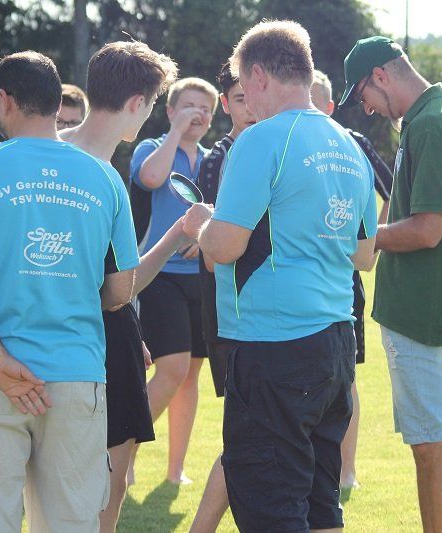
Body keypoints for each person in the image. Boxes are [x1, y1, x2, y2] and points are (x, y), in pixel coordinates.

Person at [0, 51, 139, 532]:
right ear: (55, 102)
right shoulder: (105, 177)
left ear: (3, 101)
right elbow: (119, 289)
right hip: (77, 377)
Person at [186, 20, 378, 532]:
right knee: (320, 504)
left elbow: (224, 247)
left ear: (259, 76)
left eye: (245, 89)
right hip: (336, 342)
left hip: (273, 345)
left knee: (271, 506)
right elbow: (364, 255)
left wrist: (202, 223)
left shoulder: (260, 139)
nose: (247, 103)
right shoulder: (349, 145)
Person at [339, 36, 442, 532]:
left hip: (418, 307)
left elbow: (427, 229)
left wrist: (359, 238)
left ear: (381, 75)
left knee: (431, 443)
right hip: (425, 302)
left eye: (362, 94)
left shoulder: (431, 123)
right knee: (428, 441)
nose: (367, 108)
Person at [59, 40, 195, 533]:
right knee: (105, 484)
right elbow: (119, 289)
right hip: (87, 340)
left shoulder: (46, 153)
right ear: (138, 103)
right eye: (153, 103)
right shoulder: (104, 178)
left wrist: (131, 330)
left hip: (65, 335)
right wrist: (179, 234)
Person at [129, 76, 218, 485]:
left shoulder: (213, 159)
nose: (198, 114)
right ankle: (121, 452)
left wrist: (204, 240)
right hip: (158, 275)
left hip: (200, 278)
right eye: (189, 106)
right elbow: (150, 178)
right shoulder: (151, 147)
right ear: (169, 110)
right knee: (172, 369)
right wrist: (175, 134)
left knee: (189, 374)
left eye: (205, 109)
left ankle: (175, 470)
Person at [310, 68, 394, 490]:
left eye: (313, 102)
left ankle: (346, 471)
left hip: (343, 285)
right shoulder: (277, 142)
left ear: (329, 106)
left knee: (345, 378)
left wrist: (369, 242)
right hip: (295, 286)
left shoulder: (352, 143)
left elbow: (393, 191)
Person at [189, 60, 255, 533]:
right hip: (231, 313)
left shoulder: (273, 146)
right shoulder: (219, 158)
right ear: (226, 104)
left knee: (256, 434)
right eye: (240, 99)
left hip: (266, 316)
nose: (250, 107)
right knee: (245, 436)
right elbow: (214, 254)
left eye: (254, 95)